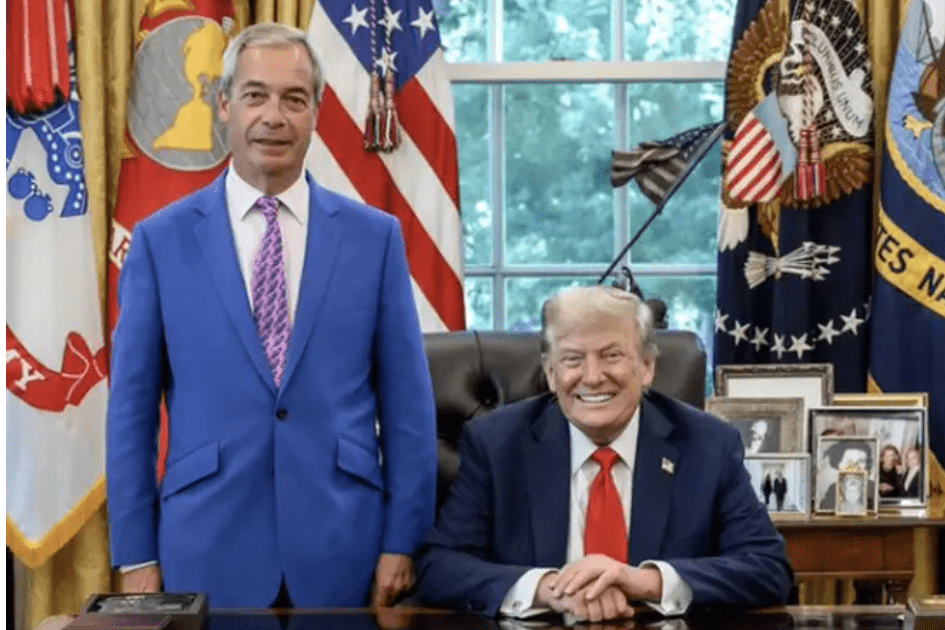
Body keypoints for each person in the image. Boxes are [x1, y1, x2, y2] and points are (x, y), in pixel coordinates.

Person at [106, 23, 436, 608]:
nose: (274, 117)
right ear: (224, 104)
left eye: (294, 99)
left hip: (346, 547)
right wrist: (136, 556)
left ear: (316, 112)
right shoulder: (160, 241)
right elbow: (131, 413)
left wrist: (402, 541)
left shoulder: (375, 239)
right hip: (204, 547)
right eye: (255, 96)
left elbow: (407, 405)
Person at [414, 286, 792, 621]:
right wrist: (549, 589)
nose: (593, 377)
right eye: (572, 359)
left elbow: (768, 568)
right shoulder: (497, 444)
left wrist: (643, 581)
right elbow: (439, 567)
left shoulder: (708, 444)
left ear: (646, 366)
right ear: (550, 373)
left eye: (611, 355)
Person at [817, 441, 875, 511]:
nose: (854, 466)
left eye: (861, 461)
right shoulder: (834, 488)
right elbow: (825, 511)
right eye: (849, 461)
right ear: (839, 464)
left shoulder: (871, 487)